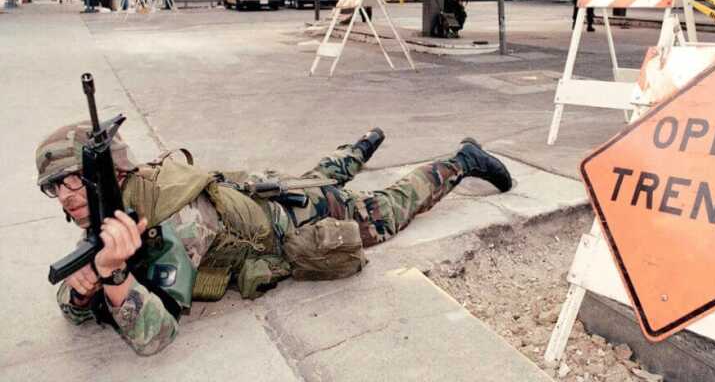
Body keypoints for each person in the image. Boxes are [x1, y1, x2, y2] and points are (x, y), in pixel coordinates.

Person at [36, 124, 512, 356]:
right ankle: (363, 145)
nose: (67, 197)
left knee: (383, 211)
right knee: (316, 178)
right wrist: (81, 291)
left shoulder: (174, 223)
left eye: (74, 181)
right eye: (55, 187)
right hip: (260, 192)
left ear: (112, 173)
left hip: (292, 222)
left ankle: (463, 159)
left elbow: (154, 336)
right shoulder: (120, 200)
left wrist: (115, 277)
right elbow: (76, 294)